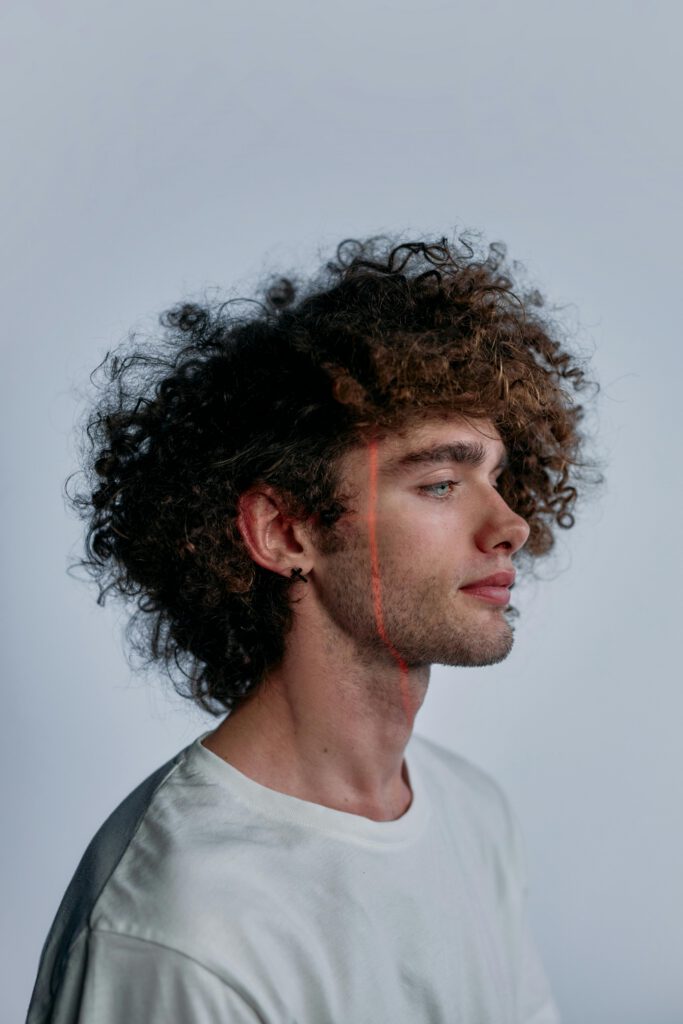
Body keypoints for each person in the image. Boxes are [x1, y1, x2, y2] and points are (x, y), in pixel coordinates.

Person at [26, 234, 598, 1023]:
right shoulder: (178, 921)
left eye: (495, 479)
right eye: (438, 483)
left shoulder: (472, 812)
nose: (511, 525)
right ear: (284, 534)